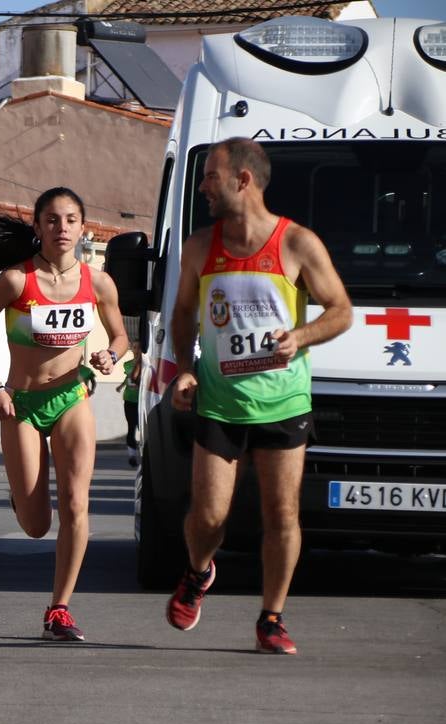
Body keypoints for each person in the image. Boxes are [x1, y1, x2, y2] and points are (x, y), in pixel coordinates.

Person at [165, 137, 352, 654]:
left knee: (282, 514)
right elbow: (183, 314)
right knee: (208, 517)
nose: (203, 186)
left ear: (242, 181)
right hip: (221, 402)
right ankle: (198, 572)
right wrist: (185, 370)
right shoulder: (201, 246)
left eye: (211, 176)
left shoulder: (297, 244)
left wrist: (301, 337)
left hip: (283, 402)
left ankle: (272, 618)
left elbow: (341, 309)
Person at [0, 188, 128, 641]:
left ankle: (60, 608)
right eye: (52, 220)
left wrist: (111, 356)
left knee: (76, 503)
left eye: (71, 220)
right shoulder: (17, 281)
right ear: (37, 227)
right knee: (36, 526)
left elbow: (120, 336)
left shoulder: (99, 283)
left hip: (72, 397)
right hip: (22, 404)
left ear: (82, 227)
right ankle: (23, 494)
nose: (62, 228)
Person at [118, 339, 142, 467]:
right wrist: (121, 386)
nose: (136, 349)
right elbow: (128, 378)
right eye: (134, 347)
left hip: (142, 400)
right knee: (131, 427)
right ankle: (132, 455)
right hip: (129, 399)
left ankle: (145, 454)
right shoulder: (127, 364)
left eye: (138, 347)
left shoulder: (146, 364)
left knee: (143, 428)